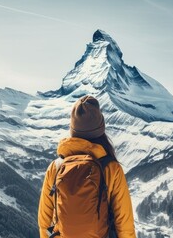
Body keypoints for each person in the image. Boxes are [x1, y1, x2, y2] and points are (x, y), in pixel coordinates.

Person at [38, 95, 136, 238]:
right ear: (101, 130)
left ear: (72, 130)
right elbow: (124, 224)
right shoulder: (111, 168)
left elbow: (44, 221)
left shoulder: (56, 167)